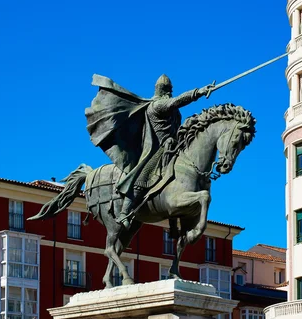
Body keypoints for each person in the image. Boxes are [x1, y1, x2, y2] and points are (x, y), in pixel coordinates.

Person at [85, 73, 213, 228]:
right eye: (167, 89)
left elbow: (176, 129)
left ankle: (174, 220)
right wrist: (198, 92)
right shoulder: (157, 105)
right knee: (143, 176)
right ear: (163, 90)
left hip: (172, 149)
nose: (169, 92)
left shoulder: (174, 113)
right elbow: (176, 102)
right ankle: (125, 211)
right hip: (156, 151)